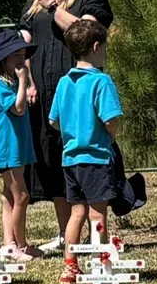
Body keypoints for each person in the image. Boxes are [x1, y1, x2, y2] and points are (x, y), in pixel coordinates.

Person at [21, 0, 116, 246]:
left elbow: (82, 34)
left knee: (83, 159)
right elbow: (22, 41)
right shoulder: (36, 3)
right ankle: (66, 233)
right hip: (45, 95)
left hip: (80, 97)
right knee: (51, 162)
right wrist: (26, 78)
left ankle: (94, 232)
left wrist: (52, 8)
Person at [47, 14, 124, 266]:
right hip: (96, 156)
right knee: (97, 213)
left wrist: (72, 131)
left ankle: (70, 264)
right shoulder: (102, 81)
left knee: (76, 212)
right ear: (96, 47)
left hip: (70, 158)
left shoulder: (63, 82)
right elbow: (111, 120)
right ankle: (100, 261)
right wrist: (109, 137)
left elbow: (53, 121)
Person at [0, 30, 38, 259]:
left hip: (18, 147)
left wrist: (22, 82)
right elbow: (17, 109)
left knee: (9, 195)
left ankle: (9, 243)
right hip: (8, 149)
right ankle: (20, 245)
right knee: (22, 196)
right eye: (15, 55)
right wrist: (24, 81)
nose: (20, 59)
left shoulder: (12, 81)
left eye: (22, 54)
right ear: (3, 58)